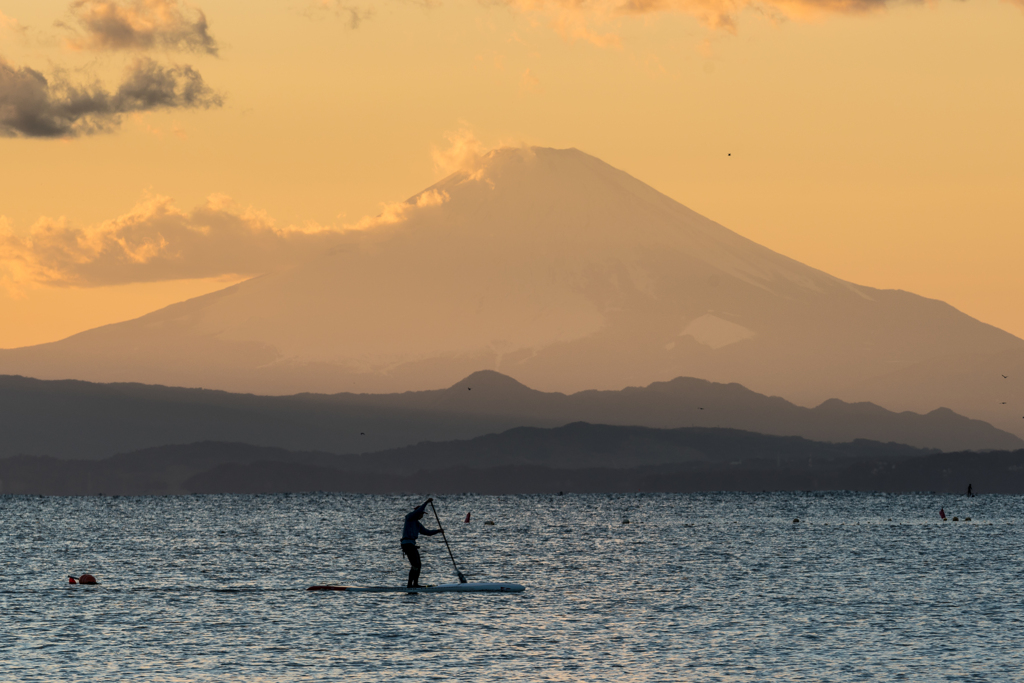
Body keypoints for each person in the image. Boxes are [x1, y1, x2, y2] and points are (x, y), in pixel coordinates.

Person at [401, 498, 442, 588]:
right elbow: (418, 510)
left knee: (418, 565)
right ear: (417, 513)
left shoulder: (418, 524)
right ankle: (409, 585)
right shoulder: (409, 518)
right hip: (407, 544)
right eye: (421, 513)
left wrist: (438, 531)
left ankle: (415, 584)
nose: (422, 515)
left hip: (412, 545)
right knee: (415, 565)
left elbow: (427, 532)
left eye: (423, 514)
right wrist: (427, 502)